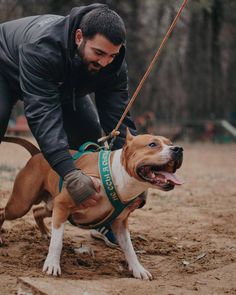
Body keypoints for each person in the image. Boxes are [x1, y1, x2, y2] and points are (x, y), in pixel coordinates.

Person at [0, 3, 146, 247]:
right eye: (99, 53)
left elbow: (117, 115)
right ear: (79, 37)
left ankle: (103, 218)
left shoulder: (113, 60)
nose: (105, 62)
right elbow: (43, 117)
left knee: (87, 135)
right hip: (5, 66)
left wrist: (133, 162)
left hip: (62, 82)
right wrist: (69, 174)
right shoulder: (42, 48)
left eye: (112, 55)